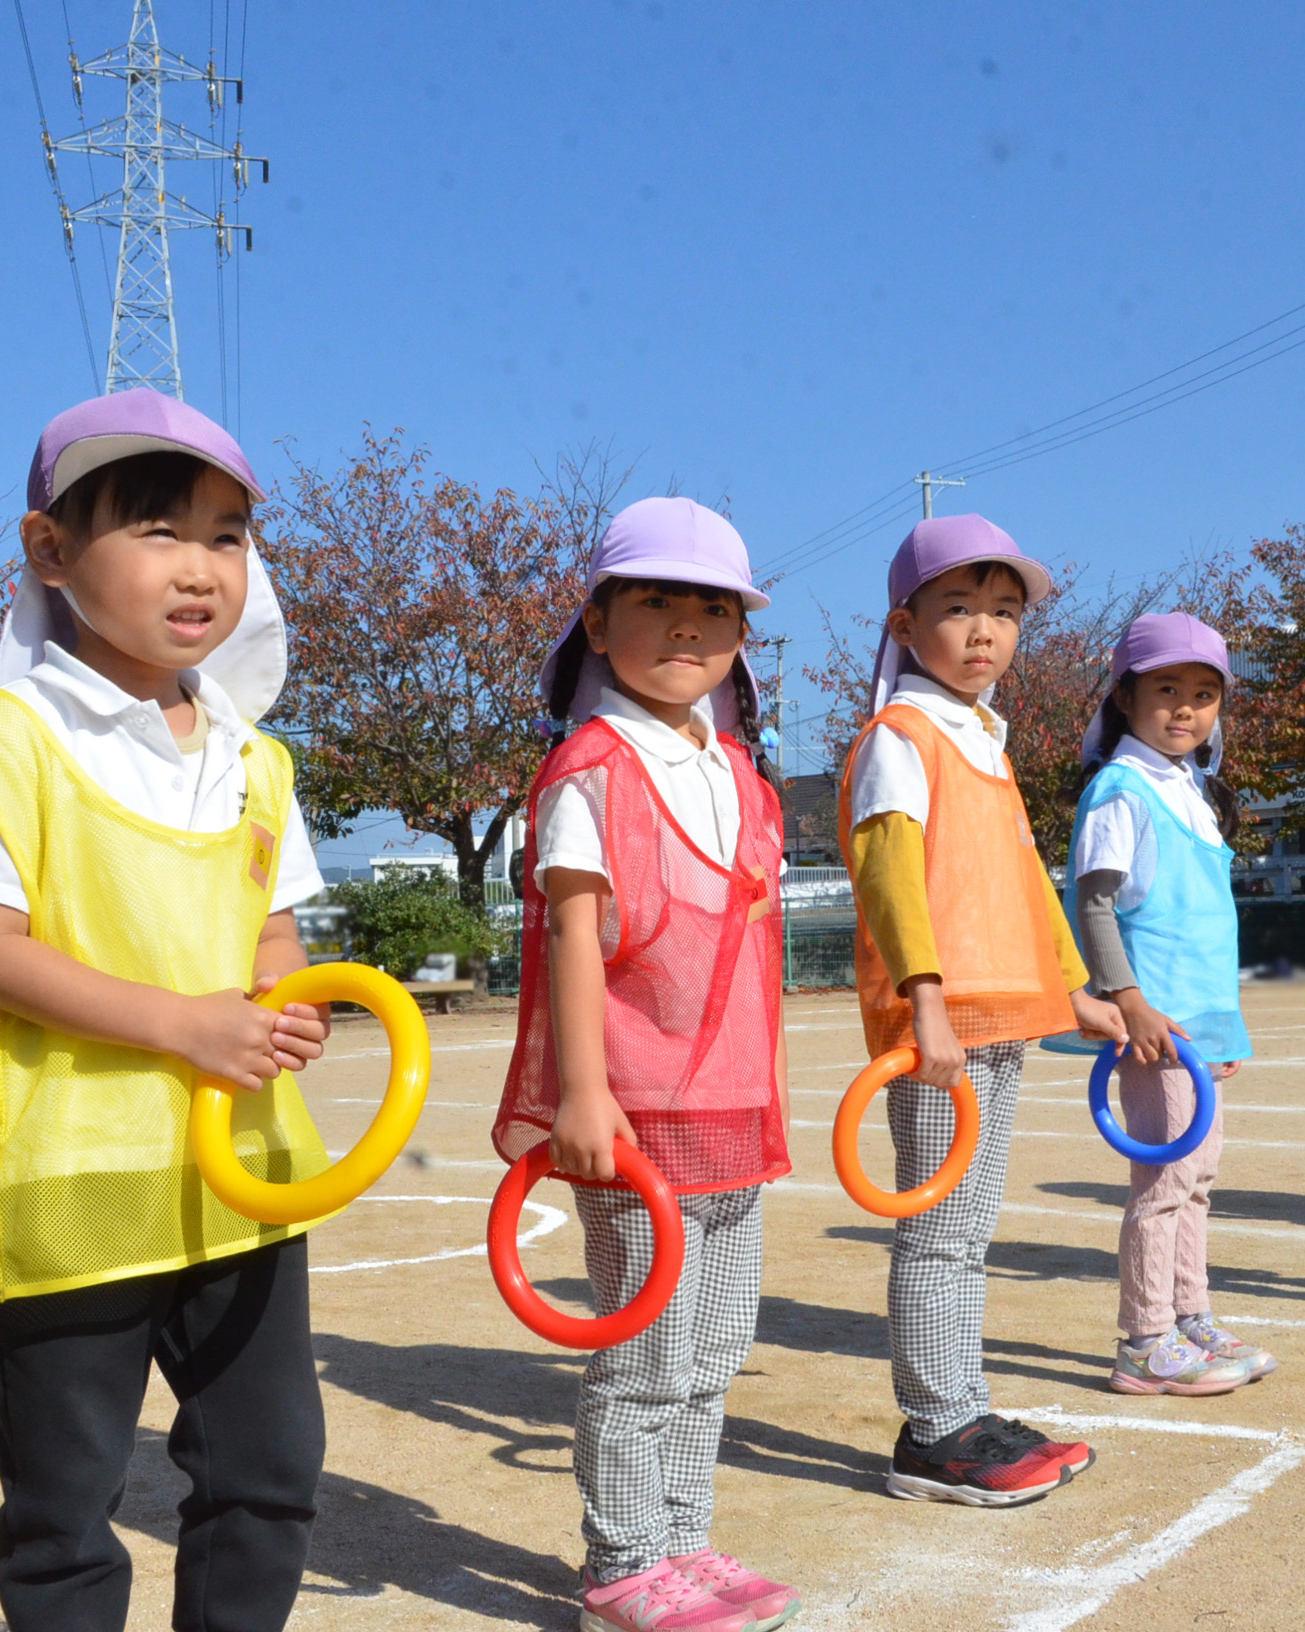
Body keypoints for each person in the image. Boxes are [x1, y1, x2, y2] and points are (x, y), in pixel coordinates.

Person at [0, 390, 333, 1631]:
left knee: (267, 1471)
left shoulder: (255, 759)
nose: (200, 568)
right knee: (65, 1506)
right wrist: (186, 1025)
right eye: (157, 530)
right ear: (50, 550)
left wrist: (284, 1002)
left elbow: (271, 932)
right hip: (68, 1186)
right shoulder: (0, 741)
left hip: (239, 1178)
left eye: (227, 536)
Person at [494, 497, 799, 1632]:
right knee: (645, 1352)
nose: (686, 626)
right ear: (597, 621)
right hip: (635, 1111)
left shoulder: (740, 773)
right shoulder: (593, 768)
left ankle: (684, 1539)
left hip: (733, 1104)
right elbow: (573, 935)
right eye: (657, 600)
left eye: (713, 608)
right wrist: (581, 1093)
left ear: (741, 634)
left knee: (714, 1349)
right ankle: (623, 1566)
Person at [837, 514, 1126, 1506]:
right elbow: (889, 878)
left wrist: (1073, 989)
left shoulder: (982, 738)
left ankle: (961, 1410)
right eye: (959, 608)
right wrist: (923, 1002)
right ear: (904, 624)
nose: (984, 631)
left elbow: (1023, 881)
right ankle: (934, 1432)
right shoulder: (901, 735)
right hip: (941, 1024)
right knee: (938, 1233)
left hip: (999, 1016)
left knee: (966, 1232)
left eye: (1004, 613)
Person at [1068, 614, 1273, 1397]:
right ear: (1124, 697)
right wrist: (1129, 1002)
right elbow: (1094, 905)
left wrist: (1222, 1028)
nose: (1185, 708)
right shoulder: (1121, 790)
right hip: (1155, 1026)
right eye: (1166, 689)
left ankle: (1191, 1319)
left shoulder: (1189, 788)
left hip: (1198, 1025)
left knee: (1197, 1179)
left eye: (1203, 694)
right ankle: (1146, 1339)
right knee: (1162, 1184)